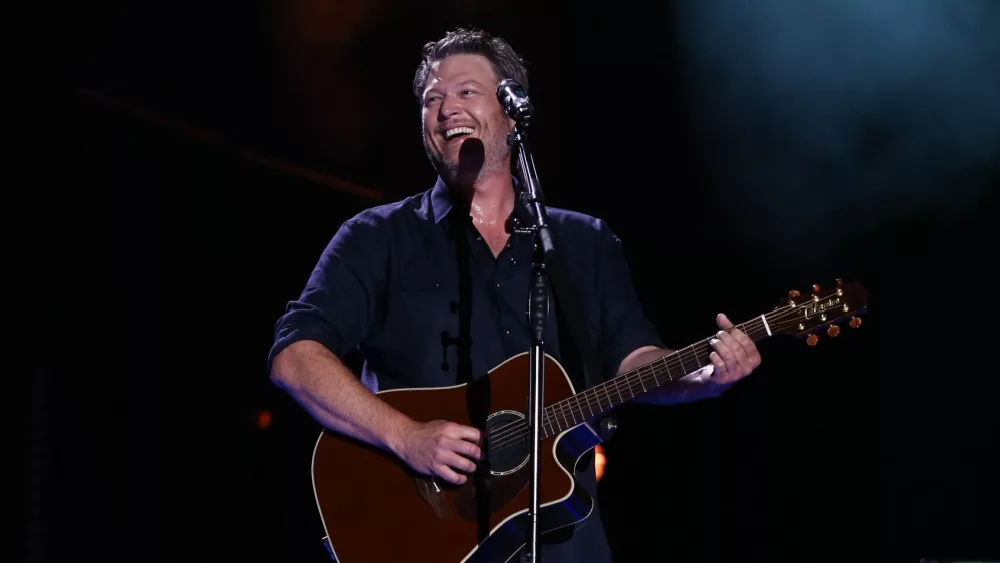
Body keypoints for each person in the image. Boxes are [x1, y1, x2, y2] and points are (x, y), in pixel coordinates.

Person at [267, 27, 761, 563]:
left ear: (511, 111)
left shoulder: (581, 242)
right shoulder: (376, 237)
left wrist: (705, 376)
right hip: (425, 540)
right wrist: (406, 436)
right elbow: (296, 357)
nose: (445, 109)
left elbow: (633, 363)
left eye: (465, 92)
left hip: (563, 542)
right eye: (432, 99)